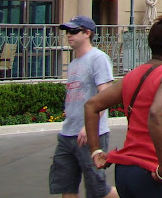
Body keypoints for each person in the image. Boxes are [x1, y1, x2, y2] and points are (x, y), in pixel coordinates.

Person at [84, 16, 162, 198]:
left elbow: (91, 105)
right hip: (156, 175)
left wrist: (95, 151)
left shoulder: (133, 75)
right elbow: (156, 113)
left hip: (126, 172)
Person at [49, 15, 118, 198]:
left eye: (73, 31)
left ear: (87, 33)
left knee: (98, 190)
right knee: (67, 187)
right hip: (67, 134)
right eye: (67, 31)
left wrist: (89, 127)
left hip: (91, 135)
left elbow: (105, 96)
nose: (68, 35)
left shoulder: (98, 58)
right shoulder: (73, 64)